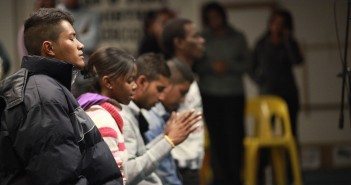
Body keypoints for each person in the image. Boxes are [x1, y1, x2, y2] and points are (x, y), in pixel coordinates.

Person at [0, 8, 123, 184]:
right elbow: (60, 177)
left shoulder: (48, 88)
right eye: (71, 38)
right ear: (49, 48)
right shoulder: (43, 97)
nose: (80, 45)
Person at [120, 53, 202, 185]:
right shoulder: (123, 116)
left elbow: (139, 157)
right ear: (142, 82)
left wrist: (165, 138)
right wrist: (168, 142)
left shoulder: (133, 114)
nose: (161, 97)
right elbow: (127, 175)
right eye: (159, 89)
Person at [194, 2, 251, 185]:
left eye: (216, 16)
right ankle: (219, 178)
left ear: (223, 16)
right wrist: (211, 67)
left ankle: (236, 176)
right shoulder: (202, 39)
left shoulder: (238, 37)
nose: (214, 21)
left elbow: (249, 64)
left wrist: (229, 66)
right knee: (216, 138)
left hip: (234, 93)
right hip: (210, 92)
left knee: (235, 136)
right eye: (210, 17)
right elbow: (195, 65)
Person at [250, 8, 304, 185]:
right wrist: (260, 80)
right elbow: (251, 66)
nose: (277, 27)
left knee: (291, 135)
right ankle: (260, 177)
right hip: (267, 94)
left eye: (281, 24)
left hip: (288, 93)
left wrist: (287, 40)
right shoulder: (261, 43)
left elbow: (297, 60)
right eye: (275, 23)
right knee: (264, 138)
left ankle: (290, 177)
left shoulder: (289, 42)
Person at [77, 47, 138, 185]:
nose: (134, 86)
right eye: (129, 81)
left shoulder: (105, 113)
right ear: (108, 82)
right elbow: (111, 176)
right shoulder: (101, 118)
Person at [161, 18, 206, 185]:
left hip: (191, 162)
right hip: (176, 165)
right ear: (179, 42)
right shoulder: (169, 77)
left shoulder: (189, 75)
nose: (202, 40)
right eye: (195, 36)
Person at [143, 59, 195, 185]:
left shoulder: (161, 115)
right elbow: (163, 169)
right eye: (182, 92)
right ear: (168, 85)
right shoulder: (152, 118)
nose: (183, 100)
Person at [57, 0, 101, 97]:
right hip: (62, 73)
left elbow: (91, 43)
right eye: (71, 36)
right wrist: (81, 34)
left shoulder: (91, 15)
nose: (79, 45)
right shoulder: (55, 14)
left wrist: (70, 38)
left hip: (84, 74)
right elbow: (57, 44)